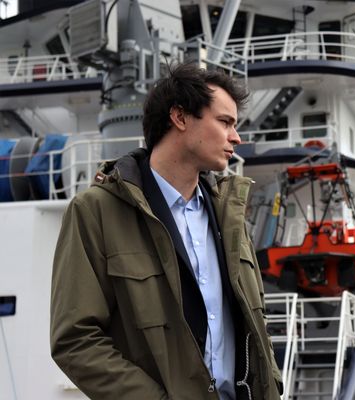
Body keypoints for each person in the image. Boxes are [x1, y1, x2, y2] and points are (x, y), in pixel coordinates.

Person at [50, 63, 283, 400]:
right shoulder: (95, 212)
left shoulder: (229, 217)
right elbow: (74, 340)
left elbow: (256, 328)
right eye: (225, 122)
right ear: (180, 118)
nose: (236, 137)